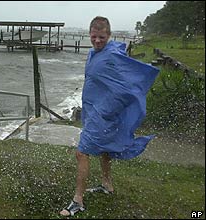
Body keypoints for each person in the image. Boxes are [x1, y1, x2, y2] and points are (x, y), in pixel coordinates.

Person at [60, 16, 159, 217]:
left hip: (102, 114)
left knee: (82, 153)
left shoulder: (112, 54)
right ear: (89, 34)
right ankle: (107, 185)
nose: (97, 41)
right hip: (92, 110)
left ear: (109, 36)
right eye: (94, 37)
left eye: (102, 37)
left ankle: (77, 201)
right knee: (105, 149)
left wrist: (107, 109)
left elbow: (127, 85)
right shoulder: (92, 54)